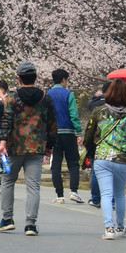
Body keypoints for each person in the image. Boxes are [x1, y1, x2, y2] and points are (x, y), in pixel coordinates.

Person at [0, 61, 57, 236]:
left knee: (7, 181)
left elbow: (6, 121)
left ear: (18, 78)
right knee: (33, 187)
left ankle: (7, 219)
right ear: (36, 77)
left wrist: (2, 143)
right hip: (36, 148)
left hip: (13, 148)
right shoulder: (46, 98)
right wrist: (50, 145)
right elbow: (52, 124)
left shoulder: (12, 98)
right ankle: (30, 224)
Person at [83, 78, 126, 240]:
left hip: (102, 158)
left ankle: (109, 228)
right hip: (122, 159)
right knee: (120, 194)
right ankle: (120, 226)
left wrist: (89, 149)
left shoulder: (99, 112)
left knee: (106, 194)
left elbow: (88, 135)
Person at [48, 69, 85, 204]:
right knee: (73, 163)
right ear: (64, 79)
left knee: (56, 164)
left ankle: (59, 195)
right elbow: (74, 115)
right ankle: (74, 191)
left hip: (54, 134)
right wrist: (79, 133)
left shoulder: (48, 95)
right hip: (68, 133)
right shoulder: (69, 94)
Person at [86, 82, 110, 208]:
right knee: (112, 173)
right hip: (112, 142)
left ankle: (95, 199)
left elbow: (89, 105)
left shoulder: (95, 103)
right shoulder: (118, 104)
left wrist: (95, 97)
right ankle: (112, 202)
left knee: (96, 171)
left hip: (97, 141)